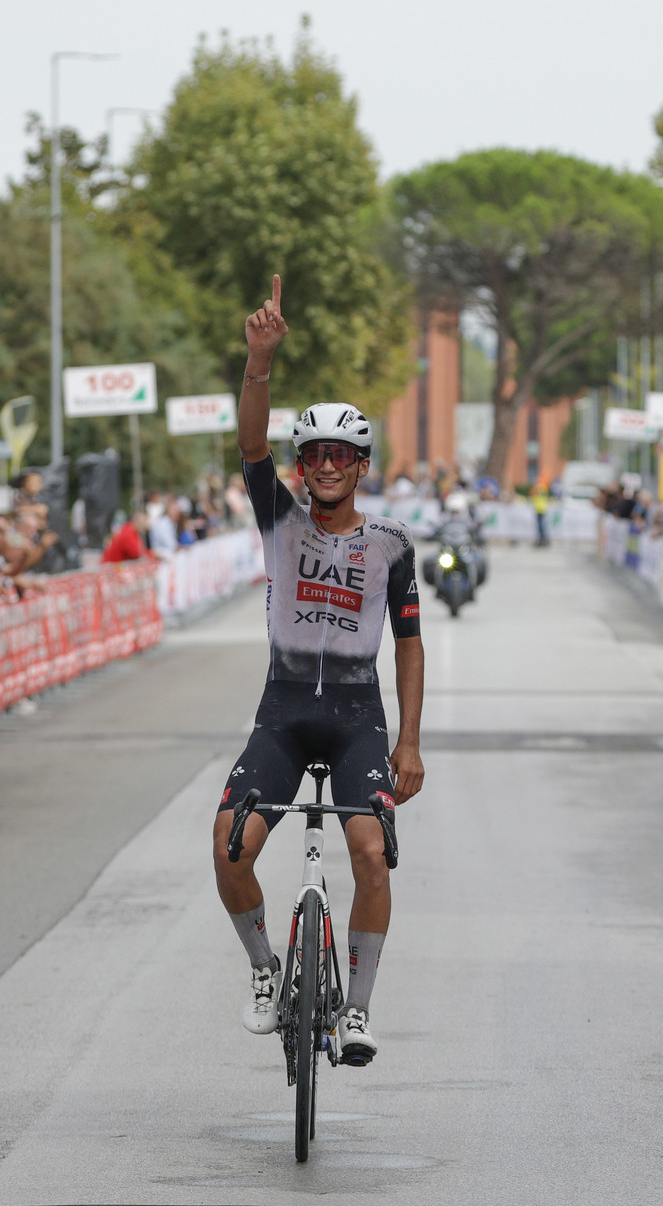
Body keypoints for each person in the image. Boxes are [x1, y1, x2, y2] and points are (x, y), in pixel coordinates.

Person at [213, 275, 424, 1068]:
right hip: (282, 714)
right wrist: (258, 364)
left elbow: (409, 644)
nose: (327, 465)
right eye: (316, 454)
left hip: (358, 723)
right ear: (304, 466)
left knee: (370, 853)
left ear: (361, 465)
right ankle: (268, 971)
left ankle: (358, 1009)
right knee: (228, 848)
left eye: (342, 454)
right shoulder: (281, 523)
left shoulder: (393, 546)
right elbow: (248, 445)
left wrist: (409, 741)